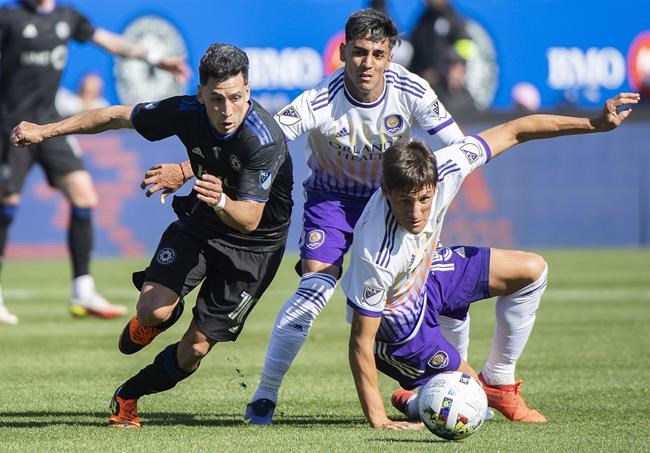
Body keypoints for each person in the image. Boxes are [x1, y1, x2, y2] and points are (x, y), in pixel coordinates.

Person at [141, 8, 466, 425]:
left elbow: (457, 148)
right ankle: (265, 395)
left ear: (390, 56)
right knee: (314, 288)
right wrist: (188, 169)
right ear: (343, 52)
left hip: (390, 205)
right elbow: (259, 143)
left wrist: (429, 197)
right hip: (333, 202)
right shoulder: (320, 100)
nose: (367, 63)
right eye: (359, 52)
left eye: (378, 54)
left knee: (417, 298)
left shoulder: (413, 91)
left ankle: (452, 385)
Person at [11, 43, 294, 429]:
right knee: (153, 310)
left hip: (254, 247)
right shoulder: (186, 111)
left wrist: (218, 198)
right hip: (204, 225)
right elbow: (114, 116)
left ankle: (129, 394)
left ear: (248, 89)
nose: (227, 110)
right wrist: (45, 131)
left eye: (235, 97)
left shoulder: (263, 139)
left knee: (195, 349)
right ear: (200, 94)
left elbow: (248, 220)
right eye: (216, 99)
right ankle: (153, 321)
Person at [341, 93, 639, 429]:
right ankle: (417, 401)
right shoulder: (375, 254)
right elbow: (361, 341)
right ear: (385, 190)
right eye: (405, 201)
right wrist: (379, 420)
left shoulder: (448, 167)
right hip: (399, 327)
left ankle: (498, 378)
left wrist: (594, 124)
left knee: (532, 270)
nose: (416, 212)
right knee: (472, 408)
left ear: (435, 183)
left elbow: (517, 130)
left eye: (424, 199)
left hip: (428, 271)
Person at [0, 0, 190, 324]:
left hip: (48, 124)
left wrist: (156, 59)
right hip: (9, 127)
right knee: (7, 203)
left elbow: (111, 42)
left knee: (84, 195)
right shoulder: (9, 17)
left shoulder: (67, 16)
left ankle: (83, 290)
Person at [409, 0, 474, 95]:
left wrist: (458, 67)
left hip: (446, 86)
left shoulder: (453, 18)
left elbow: (465, 45)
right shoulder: (423, 20)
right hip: (424, 84)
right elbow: (415, 51)